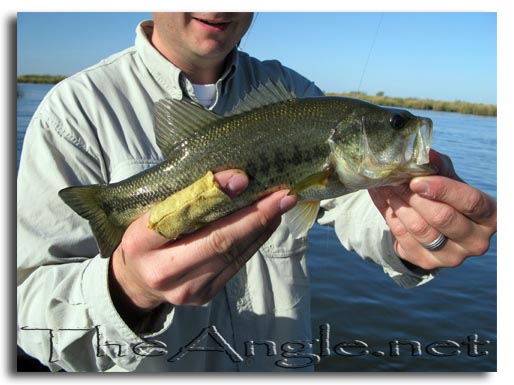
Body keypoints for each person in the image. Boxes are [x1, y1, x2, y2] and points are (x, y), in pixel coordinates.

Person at [17, 13, 497, 372]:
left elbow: (355, 204)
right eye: (395, 125)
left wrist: (416, 236)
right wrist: (128, 290)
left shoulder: (292, 90)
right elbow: (22, 312)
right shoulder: (73, 113)